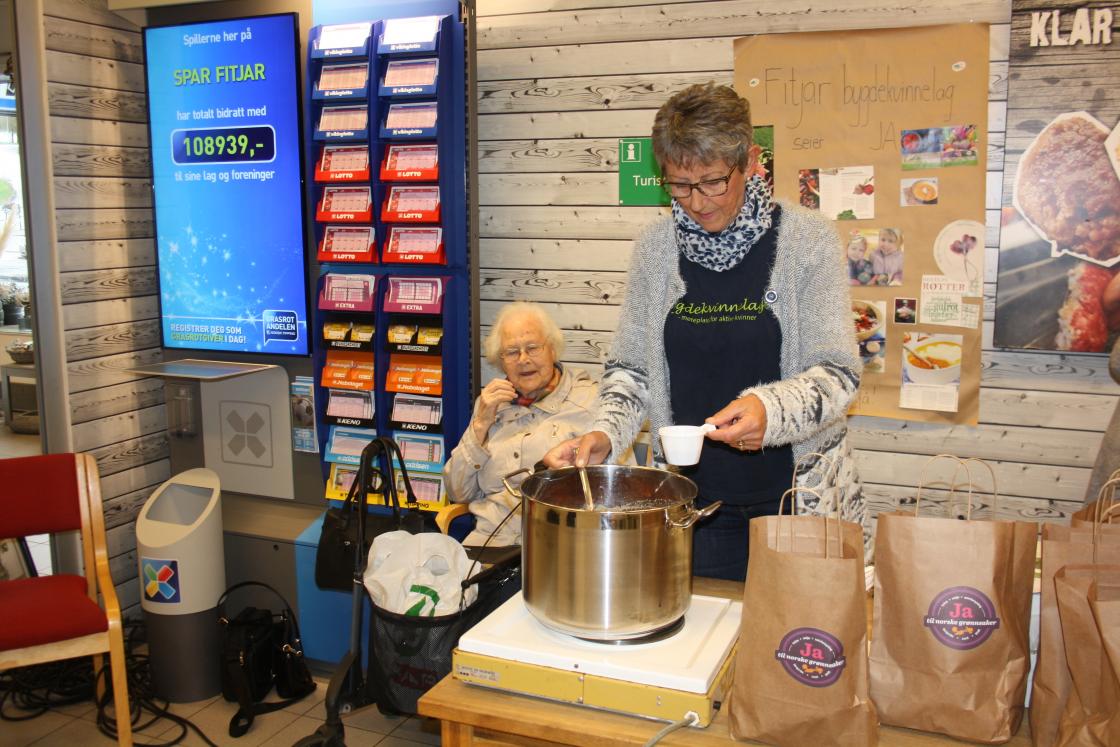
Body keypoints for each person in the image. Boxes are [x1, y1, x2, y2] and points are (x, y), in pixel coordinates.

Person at [544, 82, 867, 580]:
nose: (696, 201)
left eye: (713, 181)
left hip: (797, 498)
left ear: (750, 161)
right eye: (679, 185)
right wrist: (606, 432)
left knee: (799, 626)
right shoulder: (656, 250)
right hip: (697, 505)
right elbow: (631, 370)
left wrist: (771, 410)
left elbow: (840, 373)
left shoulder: (808, 241)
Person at [442, 301, 599, 547]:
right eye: (512, 352)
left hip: (563, 546)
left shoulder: (590, 402)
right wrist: (481, 424)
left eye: (532, 348)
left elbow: (618, 493)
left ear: (552, 349)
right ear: (501, 360)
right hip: (490, 545)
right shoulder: (490, 405)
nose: (523, 359)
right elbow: (457, 492)